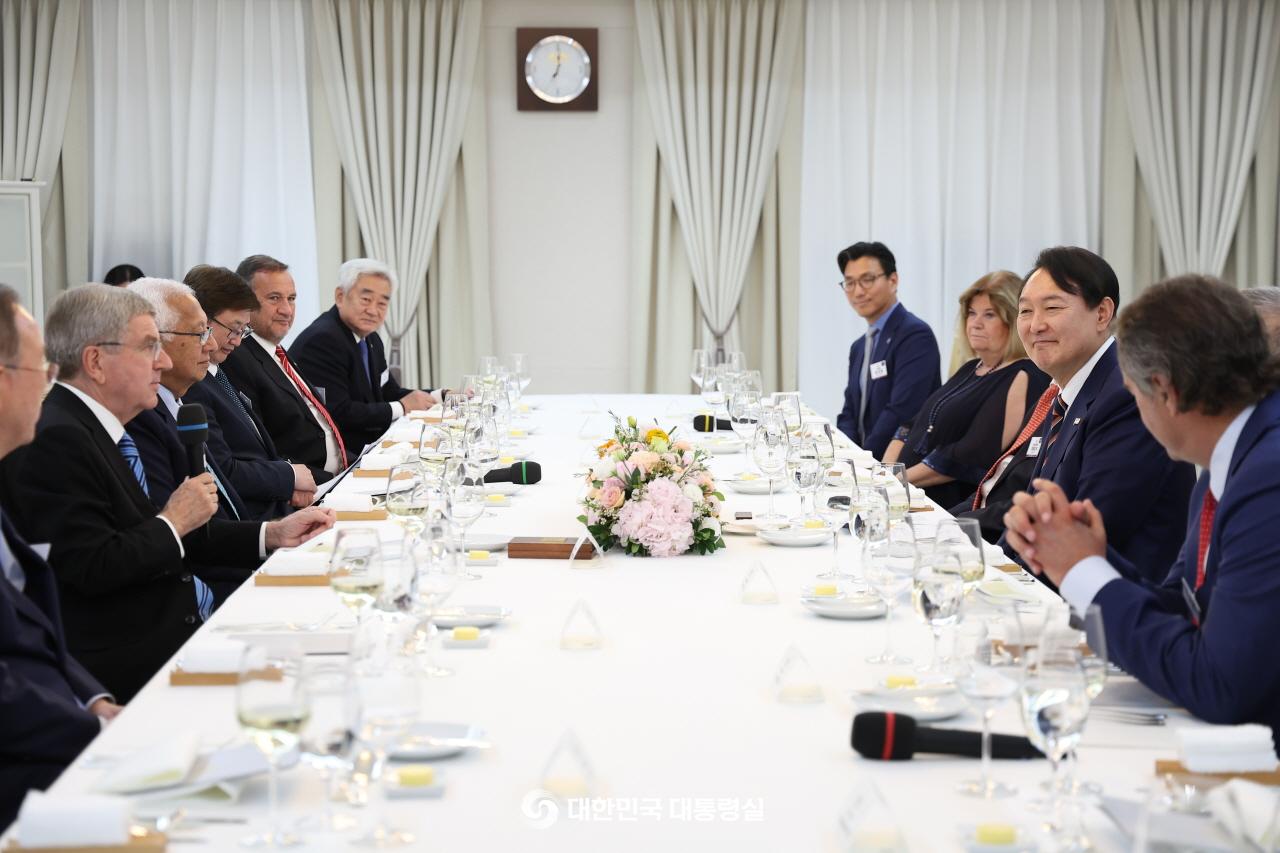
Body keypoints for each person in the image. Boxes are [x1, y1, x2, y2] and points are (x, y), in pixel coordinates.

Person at [0, 284, 334, 701]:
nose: (162, 361)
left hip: (176, 629)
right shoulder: (60, 438)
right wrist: (171, 520)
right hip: (140, 661)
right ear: (96, 362)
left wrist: (274, 534)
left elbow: (181, 535)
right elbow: (92, 567)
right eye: (149, 346)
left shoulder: (102, 426)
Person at [1003, 276, 1280, 738]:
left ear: (1164, 392)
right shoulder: (1226, 457)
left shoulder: (1267, 473)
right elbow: (1185, 610)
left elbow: (1221, 685)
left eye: (1133, 393)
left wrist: (1082, 574)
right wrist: (1092, 559)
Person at [958, 248, 1194, 581]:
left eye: (1052, 308)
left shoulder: (1127, 392)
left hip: (1113, 607)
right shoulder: (1065, 391)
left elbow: (1089, 529)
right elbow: (1038, 508)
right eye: (1025, 311)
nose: (1036, 325)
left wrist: (994, 578)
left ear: (1102, 314)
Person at [0, 284, 121, 830]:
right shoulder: (58, 440)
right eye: (42, 374)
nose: (48, 390)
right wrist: (97, 732)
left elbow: (31, 631)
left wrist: (94, 700)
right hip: (24, 785)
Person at [881, 271, 1049, 508]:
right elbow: (912, 424)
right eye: (971, 313)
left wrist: (896, 480)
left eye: (989, 315)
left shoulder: (1022, 375)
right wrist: (885, 473)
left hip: (944, 508)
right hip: (906, 494)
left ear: (1012, 322)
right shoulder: (972, 367)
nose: (975, 323)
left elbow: (972, 454)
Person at [181, 265, 315, 519]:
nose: (238, 340)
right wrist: (289, 477)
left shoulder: (218, 371)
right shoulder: (192, 384)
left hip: (280, 505)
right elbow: (223, 471)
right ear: (203, 321)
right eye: (233, 329)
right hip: (253, 523)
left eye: (244, 330)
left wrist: (288, 483)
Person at [289, 258, 439, 452]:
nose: (373, 311)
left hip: (370, 449)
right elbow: (339, 412)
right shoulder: (323, 340)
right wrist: (402, 407)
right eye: (366, 299)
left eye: (382, 303)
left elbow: (388, 393)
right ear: (340, 296)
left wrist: (439, 395)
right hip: (339, 457)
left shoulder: (371, 339)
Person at [222, 255, 344, 483]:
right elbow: (263, 448)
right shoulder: (237, 357)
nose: (287, 310)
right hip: (310, 488)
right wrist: (332, 480)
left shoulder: (276, 350)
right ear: (244, 302)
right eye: (274, 298)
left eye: (292, 298)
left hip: (338, 475)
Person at [834, 242, 940, 458]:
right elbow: (849, 412)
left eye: (867, 280)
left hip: (898, 466)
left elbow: (902, 411)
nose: (858, 291)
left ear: (893, 280)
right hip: (863, 465)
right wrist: (845, 454)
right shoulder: (860, 346)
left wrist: (862, 458)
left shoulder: (915, 335)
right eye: (850, 283)